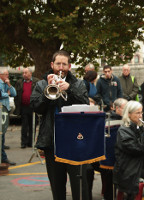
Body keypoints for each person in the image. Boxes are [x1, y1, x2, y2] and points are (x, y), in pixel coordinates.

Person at [30, 50, 90, 200]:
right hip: (52, 142)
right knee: (57, 186)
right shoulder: (42, 84)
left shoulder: (77, 83)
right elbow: (36, 107)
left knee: (79, 184)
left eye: (64, 64)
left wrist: (69, 88)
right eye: (58, 64)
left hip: (75, 141)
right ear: (52, 65)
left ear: (69, 66)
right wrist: (47, 92)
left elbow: (85, 104)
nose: (61, 68)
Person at [14, 68, 39, 148]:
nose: (24, 74)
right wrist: (18, 106)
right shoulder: (19, 82)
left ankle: (31, 142)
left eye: (26, 72)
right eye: (23, 73)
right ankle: (23, 143)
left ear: (30, 73)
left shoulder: (36, 81)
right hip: (24, 107)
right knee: (24, 126)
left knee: (33, 125)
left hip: (33, 107)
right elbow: (16, 95)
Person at [0, 69, 17, 165]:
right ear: (0, 75)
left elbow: (14, 93)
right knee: (1, 134)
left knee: (3, 133)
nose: (7, 76)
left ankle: (2, 155)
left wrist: (9, 85)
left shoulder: (6, 83)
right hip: (1, 110)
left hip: (5, 110)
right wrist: (7, 94)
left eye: (8, 74)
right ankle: (3, 157)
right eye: (6, 74)